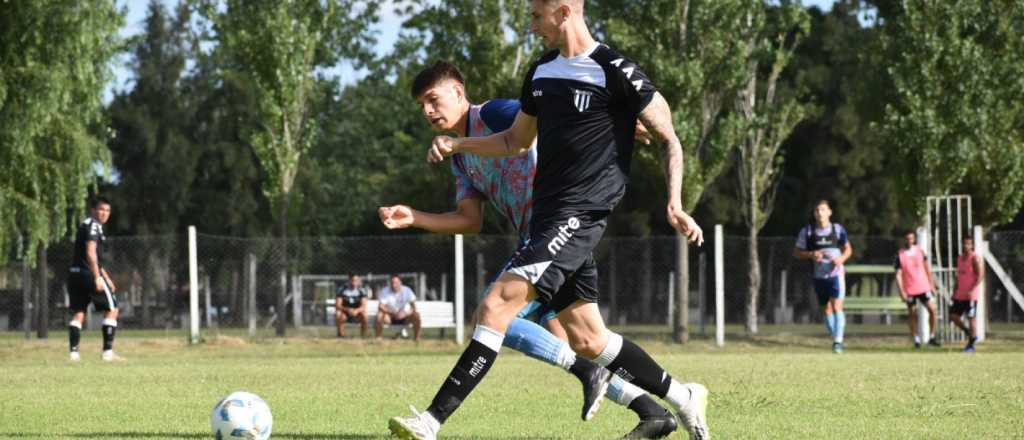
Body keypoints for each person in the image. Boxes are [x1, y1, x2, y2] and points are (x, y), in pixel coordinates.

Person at [388, 2, 709, 439]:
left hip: (577, 213)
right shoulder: (541, 72)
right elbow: (515, 142)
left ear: (562, 12)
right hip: (546, 225)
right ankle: (679, 399)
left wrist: (674, 201)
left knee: (495, 305)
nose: (531, 25)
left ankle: (429, 422)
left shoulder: (614, 68)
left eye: (536, 16)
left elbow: (668, 136)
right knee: (589, 340)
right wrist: (451, 159)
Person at [66, 196, 123, 362]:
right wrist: (98, 278)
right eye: (101, 209)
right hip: (88, 274)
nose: (104, 213)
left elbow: (92, 257)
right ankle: (108, 353)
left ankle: (74, 354)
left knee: (79, 313)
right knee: (112, 309)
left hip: (75, 274)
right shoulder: (94, 226)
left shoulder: (84, 225)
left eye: (107, 210)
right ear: (93, 211)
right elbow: (91, 253)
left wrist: (107, 277)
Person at [793, 200, 853, 353]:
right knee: (826, 310)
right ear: (814, 213)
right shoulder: (808, 231)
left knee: (837, 306)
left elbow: (848, 250)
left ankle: (838, 341)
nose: (820, 213)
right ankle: (836, 339)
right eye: (817, 210)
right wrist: (811, 254)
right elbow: (797, 252)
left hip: (836, 274)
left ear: (829, 212)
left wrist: (841, 259)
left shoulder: (837, 229)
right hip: (819, 276)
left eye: (823, 209)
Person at [894, 230, 940, 348]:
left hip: (923, 287)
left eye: (911, 238)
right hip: (910, 290)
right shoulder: (900, 255)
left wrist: (932, 285)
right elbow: (898, 275)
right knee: (912, 314)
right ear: (904, 240)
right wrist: (901, 291)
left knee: (933, 310)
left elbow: (927, 269)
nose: (909, 241)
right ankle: (916, 339)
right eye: (907, 238)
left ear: (914, 239)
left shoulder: (920, 251)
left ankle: (932, 337)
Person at [951, 236, 984, 352]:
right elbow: (958, 276)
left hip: (971, 295)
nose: (966, 246)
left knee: (971, 318)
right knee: (954, 316)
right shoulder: (960, 258)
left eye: (969, 244)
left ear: (972, 245)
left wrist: (972, 289)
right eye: (964, 243)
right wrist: (954, 290)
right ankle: (969, 333)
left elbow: (981, 275)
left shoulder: (975, 258)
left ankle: (971, 346)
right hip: (960, 294)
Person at [376, 275, 422, 341]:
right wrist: (392, 312)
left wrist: (405, 314)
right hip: (390, 317)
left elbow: (413, 307)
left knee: (416, 315)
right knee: (380, 315)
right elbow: (380, 306)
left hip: (405, 318)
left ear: (400, 282)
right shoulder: (385, 291)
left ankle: (417, 338)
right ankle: (378, 338)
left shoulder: (407, 290)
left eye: (396, 283)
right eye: (392, 283)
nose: (394, 285)